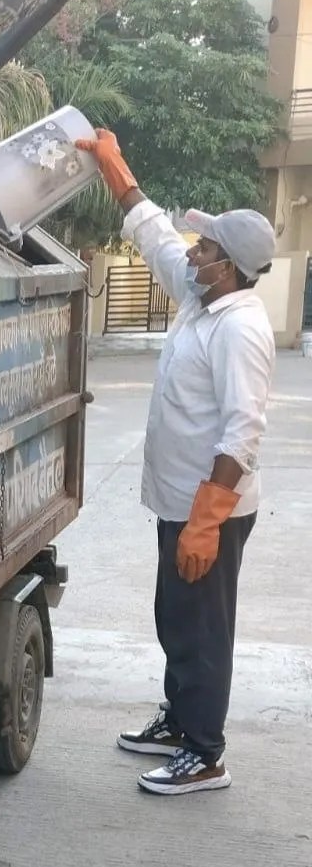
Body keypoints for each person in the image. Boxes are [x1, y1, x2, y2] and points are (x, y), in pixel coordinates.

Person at [76, 128, 277, 796]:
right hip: (176, 501)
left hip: (207, 509)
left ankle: (206, 751)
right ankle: (180, 718)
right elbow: (155, 232)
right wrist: (114, 166)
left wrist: (208, 520)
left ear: (232, 267)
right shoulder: (200, 301)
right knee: (175, 615)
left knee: (202, 628)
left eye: (208, 247)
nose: (195, 251)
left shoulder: (240, 327)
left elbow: (243, 429)